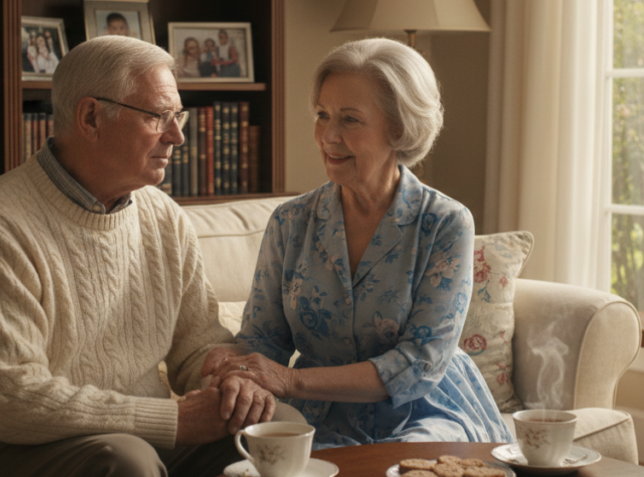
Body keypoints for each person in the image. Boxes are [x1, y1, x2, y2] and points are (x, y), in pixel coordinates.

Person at [0, 36, 276, 477]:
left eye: (178, 116)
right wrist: (175, 420)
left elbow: (199, 344)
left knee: (275, 428)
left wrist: (231, 382)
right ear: (91, 117)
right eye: (158, 117)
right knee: (124, 460)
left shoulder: (164, 217)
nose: (178, 136)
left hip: (137, 442)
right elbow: (12, 400)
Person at [203, 38, 513, 449]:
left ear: (399, 128)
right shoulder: (290, 222)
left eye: (349, 120)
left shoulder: (445, 223)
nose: (328, 135)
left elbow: (420, 362)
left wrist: (291, 379)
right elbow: (262, 341)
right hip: (318, 414)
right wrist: (242, 378)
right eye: (322, 115)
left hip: (427, 411)